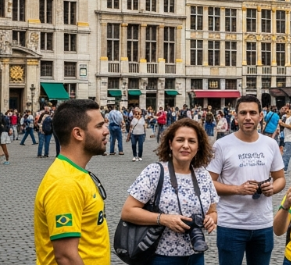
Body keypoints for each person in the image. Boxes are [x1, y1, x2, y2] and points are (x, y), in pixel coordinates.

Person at [121, 118, 219, 265]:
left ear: (198, 146)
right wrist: (163, 219)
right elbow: (128, 212)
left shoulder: (203, 175)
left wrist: (211, 219)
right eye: (180, 140)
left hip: (196, 255)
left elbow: (213, 211)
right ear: (170, 143)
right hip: (161, 256)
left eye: (192, 141)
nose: (185, 145)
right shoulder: (155, 171)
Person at [207, 95, 287, 265]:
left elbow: (280, 178)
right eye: (243, 113)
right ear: (236, 116)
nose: (248, 117)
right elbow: (208, 183)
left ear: (260, 116)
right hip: (231, 224)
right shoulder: (222, 145)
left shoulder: (270, 144)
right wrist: (238, 189)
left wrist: (272, 188)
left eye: (253, 113)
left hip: (263, 224)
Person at [34, 100, 110, 265]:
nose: (106, 131)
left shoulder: (76, 172)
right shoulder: (65, 183)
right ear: (78, 134)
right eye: (99, 126)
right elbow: (66, 257)